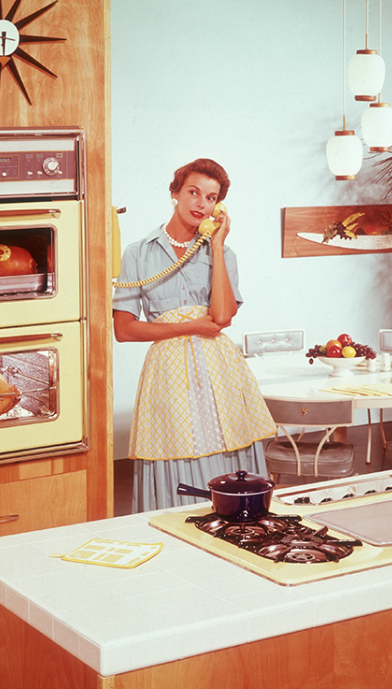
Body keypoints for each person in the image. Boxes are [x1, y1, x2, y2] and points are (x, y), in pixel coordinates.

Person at [112, 158, 277, 512]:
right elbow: (124, 330)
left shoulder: (224, 254)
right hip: (168, 371)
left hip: (220, 370)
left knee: (228, 445)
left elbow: (220, 317)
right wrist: (191, 326)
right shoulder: (138, 254)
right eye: (193, 192)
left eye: (211, 197)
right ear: (175, 193)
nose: (201, 203)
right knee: (175, 449)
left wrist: (215, 246)